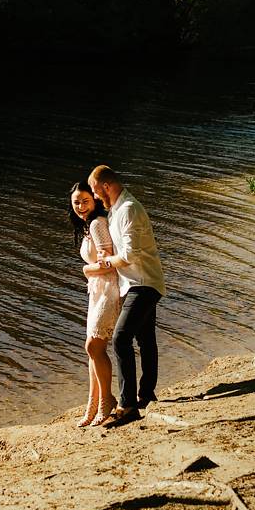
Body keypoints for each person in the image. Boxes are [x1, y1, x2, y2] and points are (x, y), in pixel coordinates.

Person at [87, 165, 166, 425]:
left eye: (97, 192)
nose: (96, 198)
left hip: (143, 282)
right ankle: (146, 394)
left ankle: (128, 405)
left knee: (121, 338)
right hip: (134, 283)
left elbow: (130, 255)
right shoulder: (116, 212)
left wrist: (105, 263)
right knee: (145, 339)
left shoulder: (129, 209)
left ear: (106, 186)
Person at [68, 181, 120, 427]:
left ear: (96, 201)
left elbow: (108, 261)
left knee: (94, 347)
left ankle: (106, 401)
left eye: (85, 201)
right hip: (97, 291)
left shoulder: (98, 224)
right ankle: (94, 403)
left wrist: (86, 269)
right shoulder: (89, 225)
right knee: (92, 350)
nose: (80, 206)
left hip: (108, 289)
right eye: (76, 202)